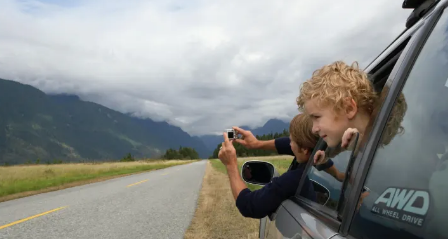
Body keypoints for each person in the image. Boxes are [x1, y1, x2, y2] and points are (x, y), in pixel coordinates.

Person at [217, 113, 343, 219]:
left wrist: (230, 164)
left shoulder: (293, 179)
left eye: (292, 139)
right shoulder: (316, 155)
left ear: (305, 149)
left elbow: (249, 205)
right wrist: (257, 144)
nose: (289, 143)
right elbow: (288, 145)